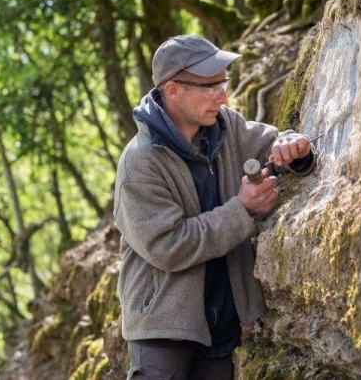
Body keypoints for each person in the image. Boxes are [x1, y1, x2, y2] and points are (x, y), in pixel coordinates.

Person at [113, 34, 315, 379]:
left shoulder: (225, 125)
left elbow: (271, 146)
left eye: (224, 83)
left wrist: (292, 147)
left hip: (220, 322)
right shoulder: (139, 163)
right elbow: (169, 247)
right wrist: (242, 210)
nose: (221, 96)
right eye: (209, 87)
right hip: (163, 329)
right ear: (173, 89)